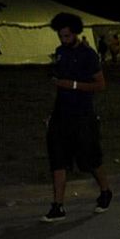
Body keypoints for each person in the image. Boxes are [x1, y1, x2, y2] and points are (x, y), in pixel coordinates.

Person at [42, 13, 112, 222]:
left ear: (75, 33)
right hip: (61, 114)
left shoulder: (88, 55)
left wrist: (72, 85)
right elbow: (59, 83)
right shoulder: (60, 52)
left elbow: (100, 85)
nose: (63, 39)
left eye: (67, 36)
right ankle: (58, 206)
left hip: (82, 115)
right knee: (58, 159)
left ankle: (105, 191)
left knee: (89, 158)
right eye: (60, 36)